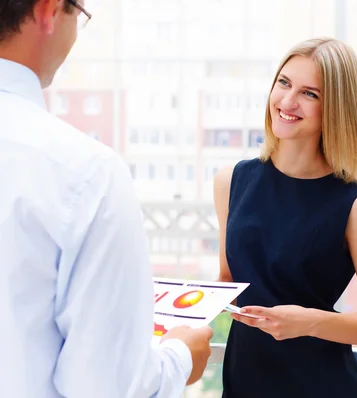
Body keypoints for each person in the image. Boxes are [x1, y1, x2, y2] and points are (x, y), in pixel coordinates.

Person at [0, 1, 213, 397]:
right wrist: (181, 357)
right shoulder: (84, 172)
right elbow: (109, 388)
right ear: (48, 11)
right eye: (79, 12)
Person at [213, 37, 357, 397]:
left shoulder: (354, 205)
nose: (288, 101)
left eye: (310, 93)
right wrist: (174, 306)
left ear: (335, 109)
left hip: (321, 385)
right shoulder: (231, 181)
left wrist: (308, 321)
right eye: (284, 83)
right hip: (244, 379)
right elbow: (229, 281)